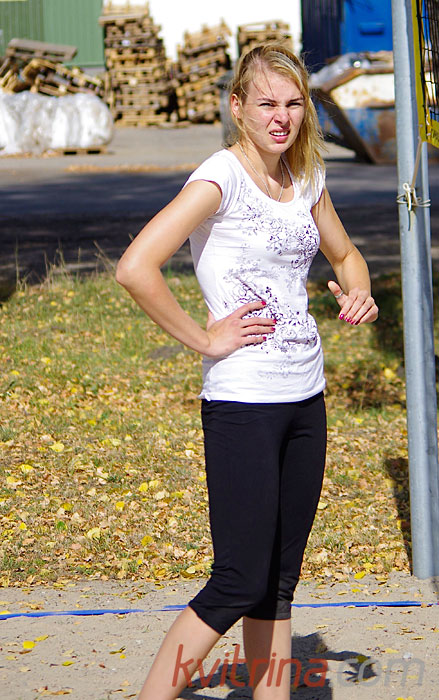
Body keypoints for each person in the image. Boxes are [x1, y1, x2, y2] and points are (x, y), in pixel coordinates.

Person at [116, 43, 378, 700]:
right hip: (243, 404)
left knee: (278, 582)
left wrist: (358, 292)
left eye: (293, 103)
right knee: (238, 580)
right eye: (266, 103)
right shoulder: (219, 177)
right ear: (237, 107)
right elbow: (135, 268)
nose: (280, 117)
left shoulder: (306, 177)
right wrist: (204, 339)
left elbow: (347, 257)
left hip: (306, 398)